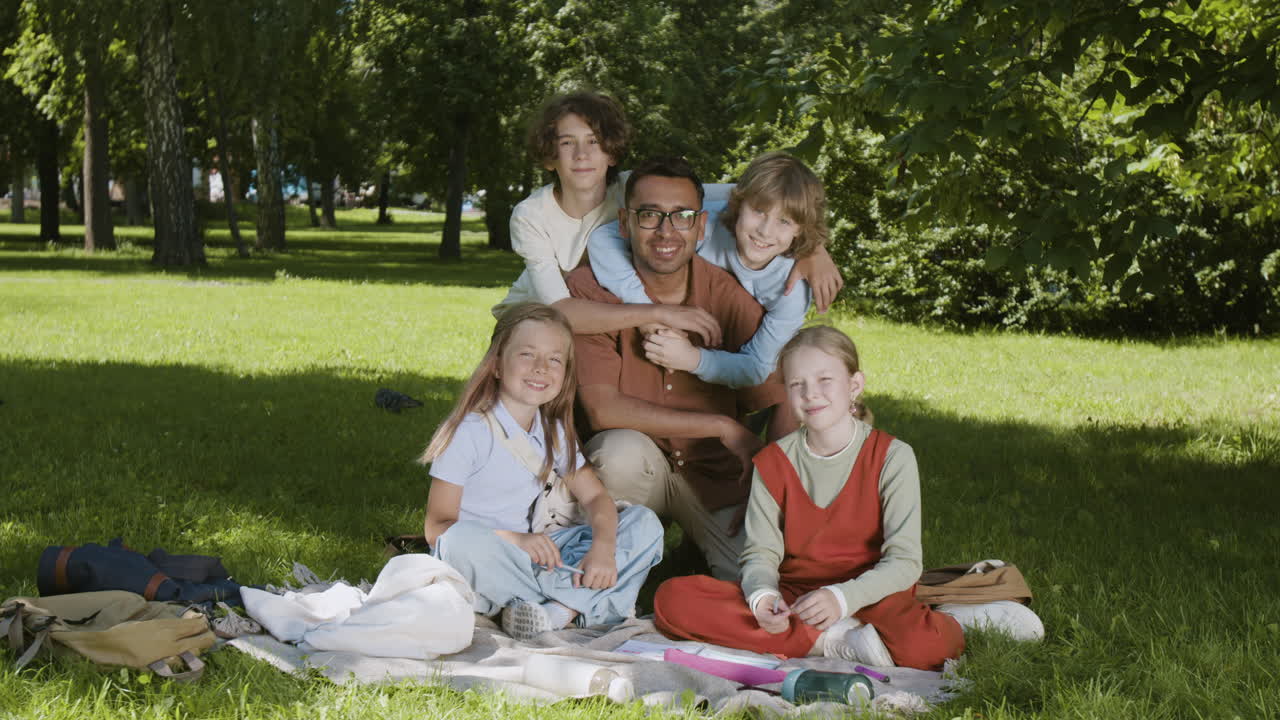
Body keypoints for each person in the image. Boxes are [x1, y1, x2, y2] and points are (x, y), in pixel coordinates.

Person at [651, 326, 965, 670]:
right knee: (672, 601)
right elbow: (761, 553)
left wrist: (843, 598)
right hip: (798, 596)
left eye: (824, 380)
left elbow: (905, 562)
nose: (811, 394)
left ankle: (955, 618)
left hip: (874, 592)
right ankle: (834, 639)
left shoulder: (893, 456)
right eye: (797, 384)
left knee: (930, 648)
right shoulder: (772, 462)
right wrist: (763, 598)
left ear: (854, 386)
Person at [565, 156, 799, 583]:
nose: (666, 231)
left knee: (770, 584)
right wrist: (720, 426)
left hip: (713, 477)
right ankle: (609, 568)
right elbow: (604, 410)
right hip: (634, 471)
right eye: (650, 215)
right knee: (618, 452)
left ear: (701, 226)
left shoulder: (731, 297)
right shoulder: (590, 293)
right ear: (624, 222)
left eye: (682, 217)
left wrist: (775, 488)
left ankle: (691, 560)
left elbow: (781, 396)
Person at [420, 303, 663, 641]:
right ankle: (573, 606)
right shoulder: (469, 431)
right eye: (527, 355)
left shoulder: (553, 431)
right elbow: (437, 528)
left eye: (554, 360)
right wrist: (516, 540)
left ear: (565, 372)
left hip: (543, 552)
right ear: (496, 365)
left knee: (644, 523)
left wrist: (603, 549)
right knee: (459, 541)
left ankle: (549, 610)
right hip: (493, 554)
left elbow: (595, 496)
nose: (540, 368)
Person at [587, 151, 836, 387]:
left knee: (785, 378)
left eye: (784, 221)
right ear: (737, 204)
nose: (765, 231)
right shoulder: (709, 222)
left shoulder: (792, 289)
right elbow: (602, 239)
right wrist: (648, 312)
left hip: (726, 355)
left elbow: (757, 366)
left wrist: (693, 359)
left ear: (800, 229)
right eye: (759, 212)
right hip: (679, 318)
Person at [491, 92, 722, 346]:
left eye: (594, 141)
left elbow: (710, 194)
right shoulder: (531, 215)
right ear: (550, 156)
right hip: (532, 318)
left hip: (596, 308)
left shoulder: (632, 189)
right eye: (567, 142)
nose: (582, 154)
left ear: (611, 153)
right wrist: (657, 313)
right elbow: (560, 309)